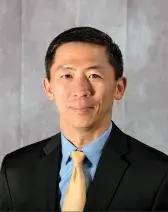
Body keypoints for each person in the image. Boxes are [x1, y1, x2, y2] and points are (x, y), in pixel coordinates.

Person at [0, 26, 168, 211]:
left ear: (119, 87)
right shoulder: (16, 169)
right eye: (67, 75)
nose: (80, 90)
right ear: (48, 88)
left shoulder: (158, 174)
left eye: (94, 75)